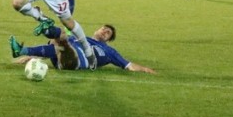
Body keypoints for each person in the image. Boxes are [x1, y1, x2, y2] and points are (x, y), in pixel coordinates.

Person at [9, 23, 156, 74]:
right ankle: (23, 49)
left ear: (108, 40)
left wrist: (145, 69)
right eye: (104, 29)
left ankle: (46, 28)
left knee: (63, 43)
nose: (104, 32)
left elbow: (129, 65)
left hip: (76, 62)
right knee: (62, 37)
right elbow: (52, 48)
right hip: (60, 56)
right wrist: (31, 58)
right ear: (97, 30)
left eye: (108, 33)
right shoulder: (80, 38)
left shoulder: (109, 52)